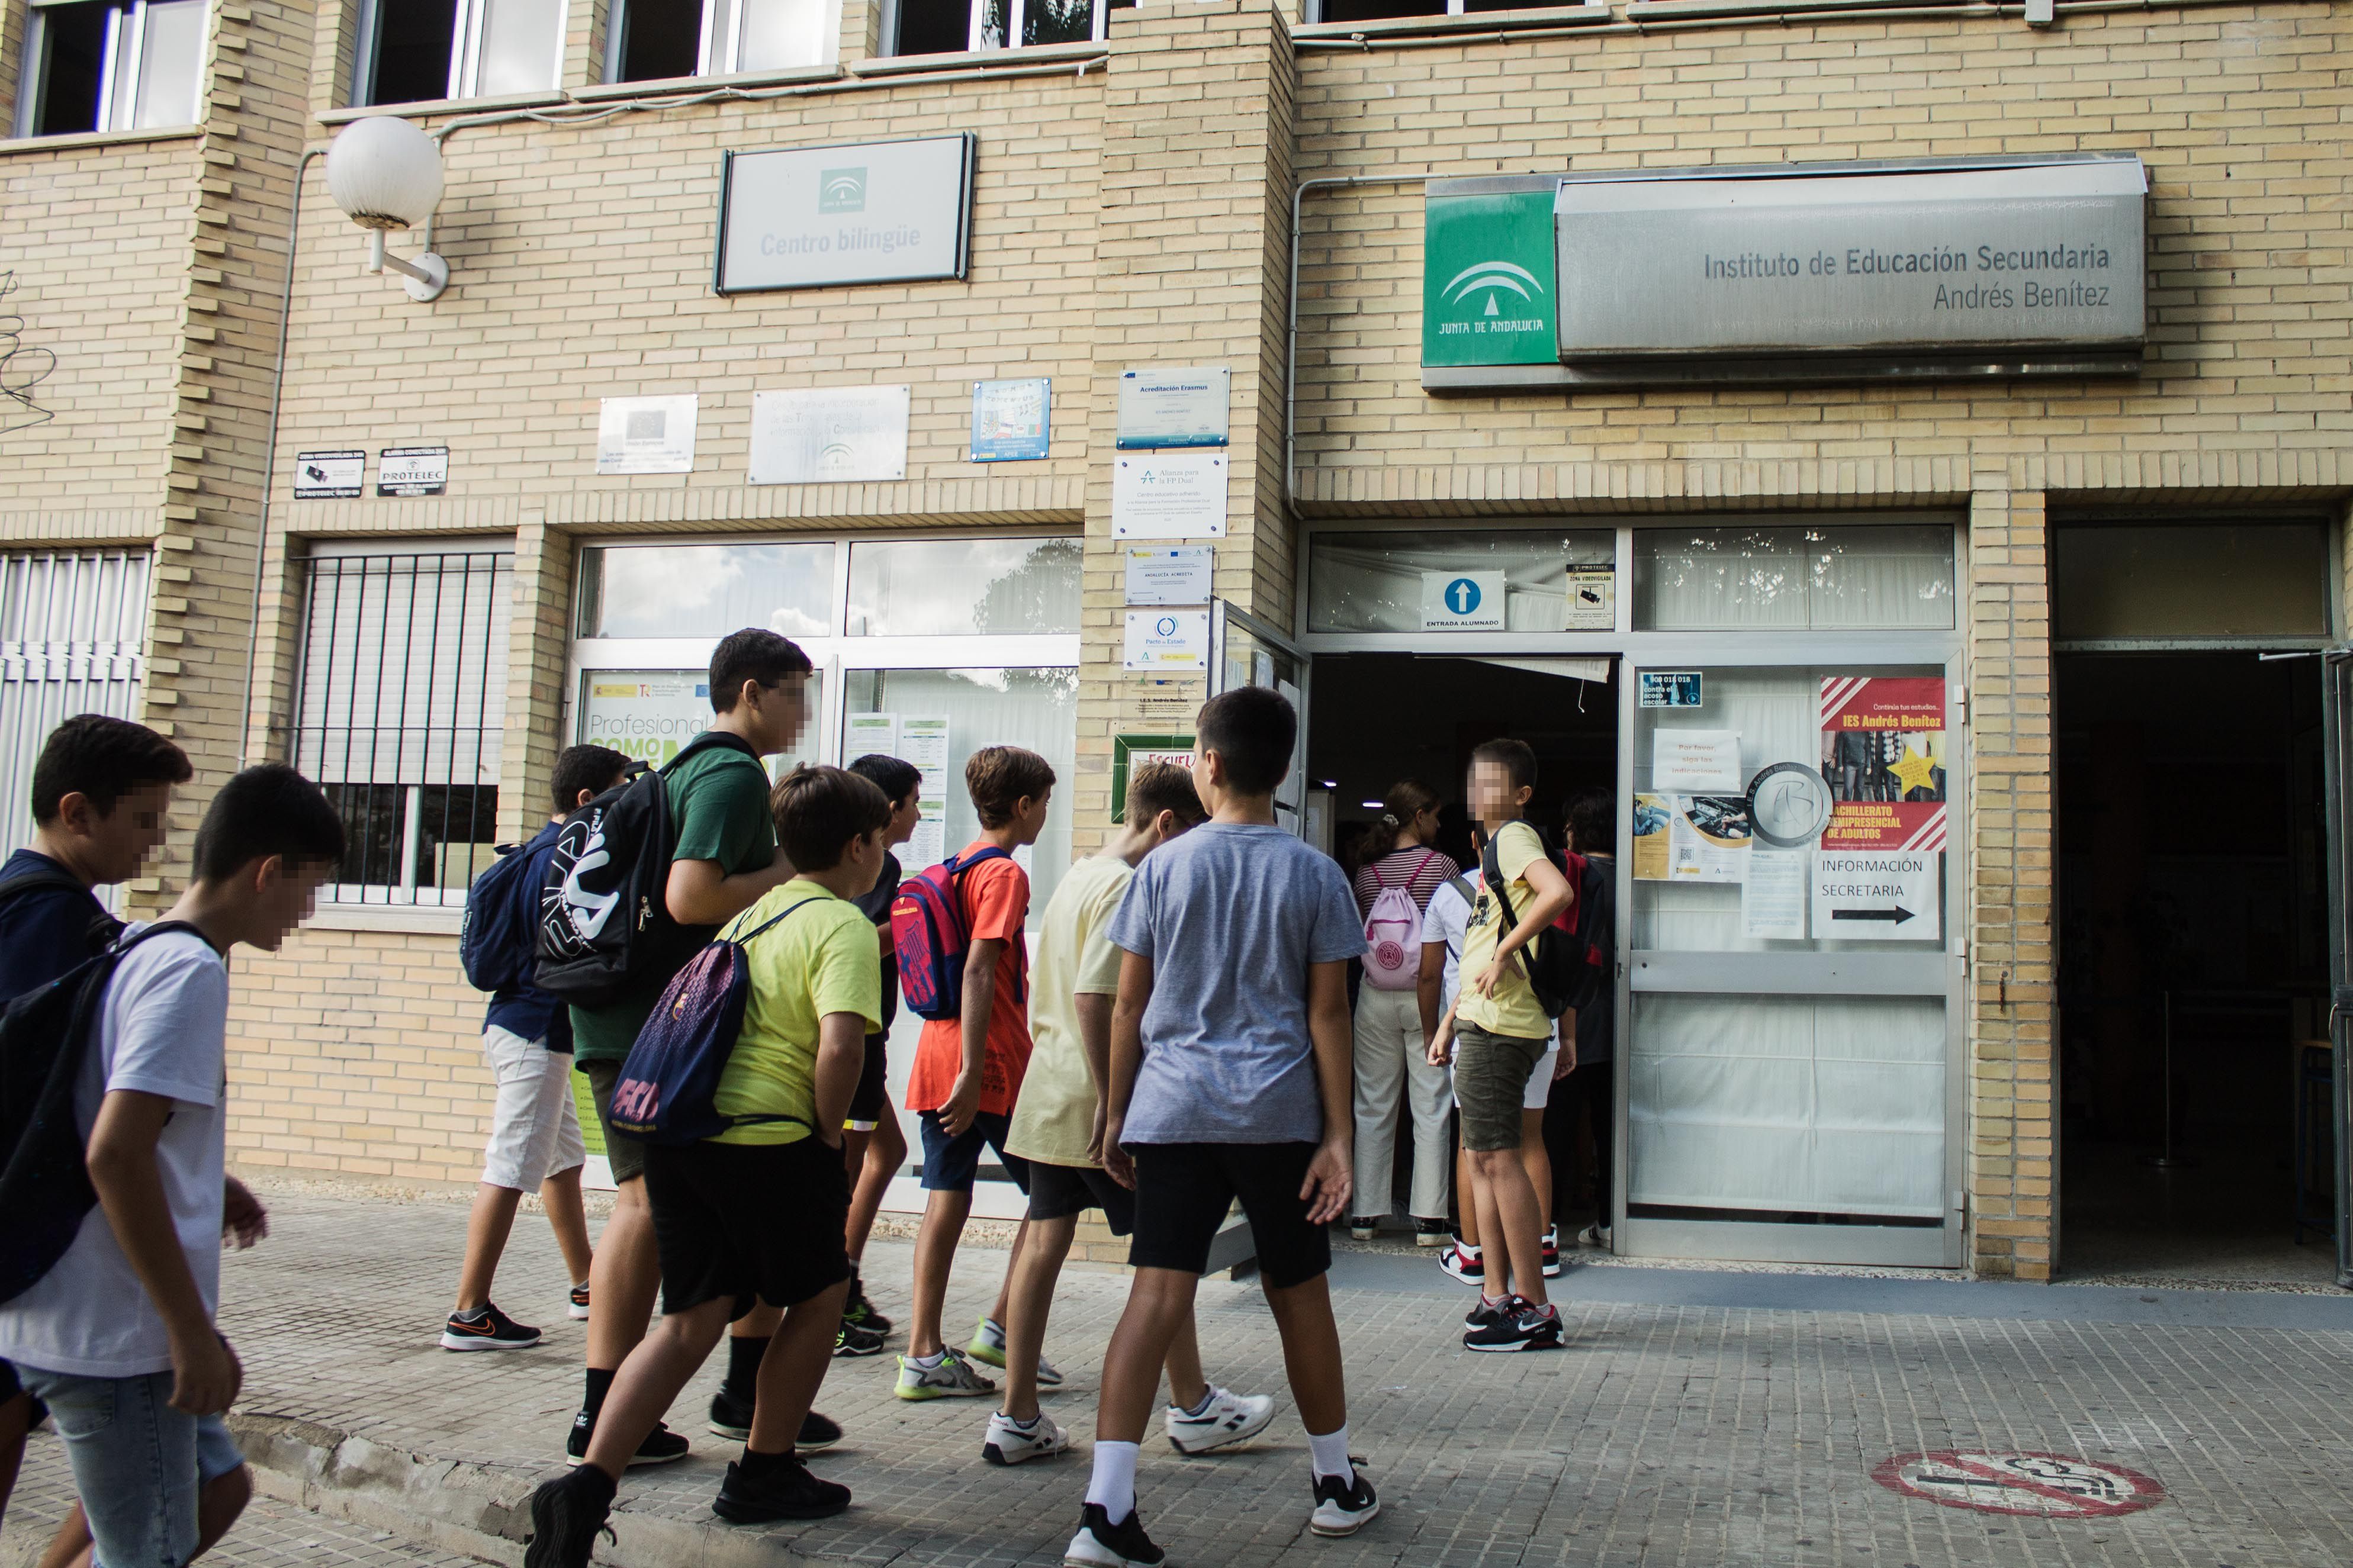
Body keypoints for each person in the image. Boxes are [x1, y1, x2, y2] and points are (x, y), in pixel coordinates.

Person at [525, 766, 891, 1560]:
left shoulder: (754, 913)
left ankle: (585, 1487)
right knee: (822, 1293)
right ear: (860, 846)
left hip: (681, 1142)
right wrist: (828, 1142)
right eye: (884, 841)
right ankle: (763, 1471)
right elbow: (839, 1045)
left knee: (691, 1318)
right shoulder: (842, 924)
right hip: (767, 1140)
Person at [0, 763, 342, 1568]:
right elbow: (115, 1153)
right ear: (265, 873)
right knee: (148, 1551)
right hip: (113, 1335)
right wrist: (189, 1332)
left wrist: (207, 1183)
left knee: (219, 1489)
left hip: (81, 1318)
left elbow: (110, 1116)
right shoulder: (188, 971)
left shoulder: (144, 942)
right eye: (310, 885)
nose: (308, 910)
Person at [1069, 687, 1378, 1568]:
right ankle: (1332, 1484)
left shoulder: (1161, 867)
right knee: (1298, 1293)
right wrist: (1338, 1136)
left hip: (1171, 1110)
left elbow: (1130, 1002)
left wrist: (1117, 1109)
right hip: (1276, 1115)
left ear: (1206, 764)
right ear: (1281, 772)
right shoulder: (1314, 873)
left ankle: (1105, 1510)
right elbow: (1328, 1016)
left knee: (1156, 1295)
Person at [566, 628, 811, 1468]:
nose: (803, 712)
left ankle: (721, 1392)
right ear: (750, 691)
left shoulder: (684, 766)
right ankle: (603, 1415)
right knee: (637, 1202)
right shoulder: (732, 772)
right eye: (794, 693)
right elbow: (689, 893)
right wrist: (789, 872)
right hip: (645, 1029)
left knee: (665, 1205)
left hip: (631, 1022)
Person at [986, 762, 1273, 1467]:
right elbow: (1098, 998)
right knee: (1165, 1254)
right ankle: (1194, 1406)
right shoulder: (1127, 884)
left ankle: (1016, 1415)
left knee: (1042, 1248)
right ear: (1167, 824)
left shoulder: (1081, 872)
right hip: (1097, 1103)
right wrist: (1117, 1106)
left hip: (1048, 1094)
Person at [0, 714, 195, 1555]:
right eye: (144, 820)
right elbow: (69, 1111)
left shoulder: (19, 907)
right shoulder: (61, 934)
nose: (154, 843)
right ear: (77, 812)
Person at [441, 746, 631, 1353]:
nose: (626, 799)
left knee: (559, 1156)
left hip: (522, 1029)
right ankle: (469, 1312)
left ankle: (586, 1283)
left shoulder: (532, 854)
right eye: (619, 789)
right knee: (510, 1165)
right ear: (586, 801)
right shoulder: (564, 862)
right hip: (532, 1032)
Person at [896, 745, 1056, 1400]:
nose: (1046, 814)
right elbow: (980, 968)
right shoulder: (1005, 876)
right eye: (1044, 803)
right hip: (986, 1063)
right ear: (1022, 807)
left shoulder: (952, 865)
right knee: (1052, 1199)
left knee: (946, 1198)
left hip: (936, 1055)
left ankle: (922, 1353)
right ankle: (1002, 1326)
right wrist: (971, 1072)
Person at [1425, 738, 1573, 1353]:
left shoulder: (1512, 837)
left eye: (1491, 782)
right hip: (1481, 1021)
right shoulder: (1490, 854)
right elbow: (1483, 944)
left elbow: (1556, 893)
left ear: (1519, 794)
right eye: (1472, 780)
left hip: (1500, 1026)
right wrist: (1446, 1022)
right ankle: (1495, 1297)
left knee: (1496, 1158)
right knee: (1481, 1159)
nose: (1476, 792)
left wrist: (1509, 954)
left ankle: (1534, 1306)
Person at [1423, 858, 1566, 1291]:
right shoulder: (1539, 888)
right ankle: (1541, 1246)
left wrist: (1436, 1029)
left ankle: (1475, 1252)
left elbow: (1431, 972)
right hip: (1542, 1025)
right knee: (1530, 1138)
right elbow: (1561, 963)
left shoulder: (1451, 895)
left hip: (1484, 1030)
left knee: (1478, 1146)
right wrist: (1570, 1036)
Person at [1345, 781, 1458, 1245]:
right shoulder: (1443, 866)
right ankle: (1430, 1220)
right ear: (1418, 817)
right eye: (1434, 815)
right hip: (1425, 994)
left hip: (1375, 993)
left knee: (1373, 1103)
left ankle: (1365, 1214)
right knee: (1430, 1104)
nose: (1439, 823)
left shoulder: (1367, 871)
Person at [835, 752, 920, 1356]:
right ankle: (830, 1298)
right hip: (854, 1039)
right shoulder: (877, 864)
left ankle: (845, 1278)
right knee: (842, 1171)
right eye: (915, 802)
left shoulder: (864, 857)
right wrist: (919, 925)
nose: (919, 814)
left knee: (887, 1150)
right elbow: (859, 943)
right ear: (889, 812)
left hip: (865, 1037)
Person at [1551, 787, 1617, 1250]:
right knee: (1612, 1127)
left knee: (1555, 1124)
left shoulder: (1570, 874)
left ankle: (1546, 1223)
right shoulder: (1637, 874)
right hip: (1627, 1016)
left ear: (1576, 830)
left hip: (1572, 1013)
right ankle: (1612, 1219)